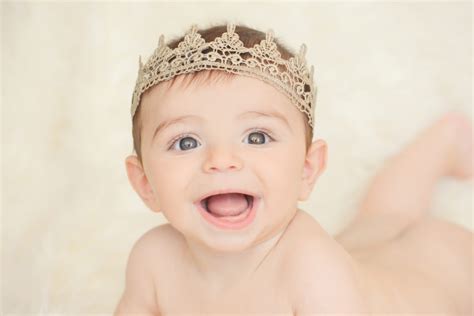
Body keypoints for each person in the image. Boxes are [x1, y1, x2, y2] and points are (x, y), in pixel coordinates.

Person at [114, 23, 472, 315]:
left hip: (442, 270)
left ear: (306, 170)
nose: (222, 160)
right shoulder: (153, 260)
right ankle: (446, 140)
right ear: (145, 183)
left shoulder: (312, 270)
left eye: (256, 137)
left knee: (389, 222)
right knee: (380, 218)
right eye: (186, 142)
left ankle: (446, 140)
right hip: (364, 253)